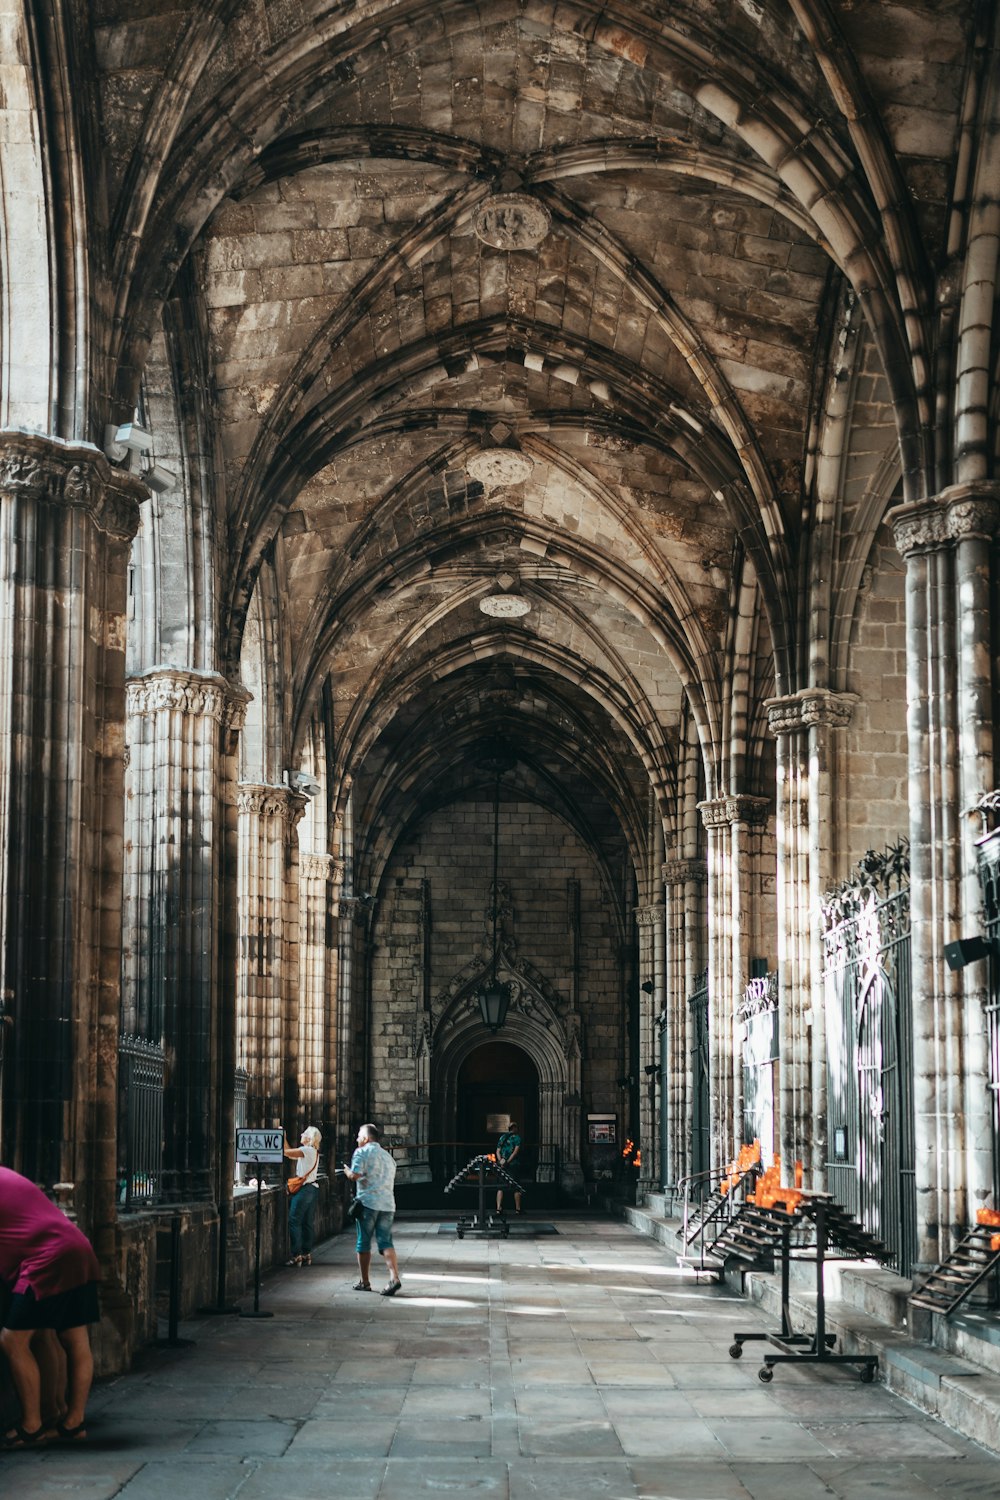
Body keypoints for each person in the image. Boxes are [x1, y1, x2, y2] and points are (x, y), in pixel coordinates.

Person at [0, 1166, 101, 1448]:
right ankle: (69, 1421)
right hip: (75, 1249)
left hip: (49, 1259)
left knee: (12, 1341)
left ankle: (31, 1427)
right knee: (70, 1338)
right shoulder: (6, 1175)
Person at [343, 1123, 401, 1296]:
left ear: (366, 1138)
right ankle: (394, 1277)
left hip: (368, 1203)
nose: (357, 1139)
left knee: (363, 1241)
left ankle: (365, 1281)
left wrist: (347, 1171)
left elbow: (355, 1175)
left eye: (359, 1136)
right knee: (385, 1242)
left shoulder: (361, 1152)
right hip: (388, 1204)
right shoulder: (388, 1157)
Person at [283, 1126, 322, 1266]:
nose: (301, 1134)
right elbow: (289, 1153)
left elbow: (286, 1153)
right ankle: (306, 1253)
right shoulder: (313, 1152)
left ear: (309, 1138)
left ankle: (296, 1255)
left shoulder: (307, 1150)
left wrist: (282, 1137)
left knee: (294, 1220)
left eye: (304, 1133)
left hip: (304, 1190)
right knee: (307, 1222)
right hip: (312, 1189)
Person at [495, 1121, 523, 1215]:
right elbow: (515, 1152)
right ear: (515, 1128)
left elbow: (498, 1151)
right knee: (516, 1187)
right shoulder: (517, 1138)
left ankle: (498, 1208)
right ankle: (518, 1209)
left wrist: (501, 1161)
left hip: (502, 1164)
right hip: (513, 1165)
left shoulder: (502, 1137)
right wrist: (507, 1162)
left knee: (500, 1187)